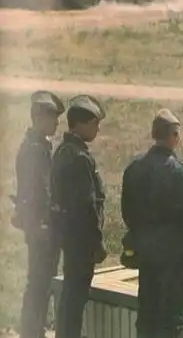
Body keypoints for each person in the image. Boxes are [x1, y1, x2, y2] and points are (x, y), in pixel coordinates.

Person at [121, 109, 183, 338]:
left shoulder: (134, 168)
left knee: (147, 315)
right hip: (173, 258)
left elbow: (127, 211)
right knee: (171, 319)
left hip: (146, 254)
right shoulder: (180, 172)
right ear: (174, 136)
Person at [50, 94, 106, 338]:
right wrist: (97, 243)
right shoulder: (79, 158)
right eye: (94, 123)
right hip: (82, 240)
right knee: (75, 298)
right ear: (80, 124)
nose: (97, 129)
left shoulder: (62, 151)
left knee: (70, 297)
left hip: (68, 236)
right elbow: (87, 206)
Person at [12, 91, 65, 338]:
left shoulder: (37, 145)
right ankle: (32, 332)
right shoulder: (35, 149)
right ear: (39, 118)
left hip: (39, 226)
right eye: (52, 117)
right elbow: (40, 192)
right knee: (39, 284)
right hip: (41, 227)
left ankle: (33, 331)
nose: (56, 122)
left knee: (39, 283)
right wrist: (44, 222)